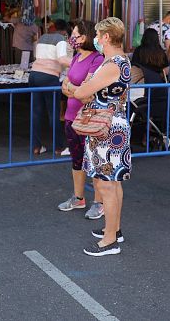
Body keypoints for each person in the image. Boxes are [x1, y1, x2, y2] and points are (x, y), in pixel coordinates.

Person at [73, 17, 131, 257]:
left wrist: (79, 89)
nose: (96, 39)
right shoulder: (120, 60)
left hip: (106, 128)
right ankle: (113, 230)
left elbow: (80, 91)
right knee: (110, 182)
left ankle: (109, 240)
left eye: (98, 35)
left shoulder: (111, 64)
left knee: (107, 184)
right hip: (113, 125)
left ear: (106, 37)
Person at [60, 20, 105, 219]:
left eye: (75, 34)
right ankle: (78, 198)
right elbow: (66, 84)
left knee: (93, 161)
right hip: (71, 117)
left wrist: (74, 90)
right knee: (77, 160)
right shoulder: (76, 57)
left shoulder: (97, 59)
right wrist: (75, 91)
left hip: (89, 119)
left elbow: (87, 91)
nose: (72, 38)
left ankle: (99, 202)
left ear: (84, 37)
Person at [29, 19, 70, 155]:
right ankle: (59, 147)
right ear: (64, 31)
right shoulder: (61, 39)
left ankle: (36, 147)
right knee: (53, 113)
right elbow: (62, 59)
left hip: (34, 74)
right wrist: (77, 63)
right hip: (49, 77)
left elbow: (37, 56)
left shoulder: (42, 38)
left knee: (36, 112)